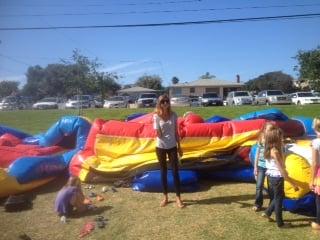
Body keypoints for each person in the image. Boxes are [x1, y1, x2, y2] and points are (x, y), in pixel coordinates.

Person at [261, 124, 299, 228]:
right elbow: (281, 169)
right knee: (278, 200)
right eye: (280, 138)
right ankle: (280, 224)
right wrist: (293, 184)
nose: (282, 139)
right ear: (275, 139)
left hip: (271, 177)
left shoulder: (269, 148)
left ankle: (268, 212)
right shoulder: (275, 152)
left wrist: (286, 143)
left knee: (279, 196)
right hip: (277, 177)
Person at [153, 94, 185, 208]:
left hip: (172, 146)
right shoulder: (156, 116)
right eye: (162, 102)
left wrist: (179, 146)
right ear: (159, 104)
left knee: (175, 171)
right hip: (160, 147)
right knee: (163, 172)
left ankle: (178, 198)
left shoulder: (174, 115)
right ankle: (165, 197)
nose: (165, 103)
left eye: (167, 101)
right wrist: (158, 128)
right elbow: (158, 134)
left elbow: (176, 132)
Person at [253, 122, 274, 212]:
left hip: (270, 167)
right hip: (261, 166)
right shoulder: (261, 138)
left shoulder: (273, 139)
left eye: (270, 130)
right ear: (264, 129)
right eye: (267, 129)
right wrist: (255, 167)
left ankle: (272, 205)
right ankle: (258, 204)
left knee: (271, 187)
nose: (268, 132)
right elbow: (257, 154)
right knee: (259, 186)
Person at [310, 117, 320, 230]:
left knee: (318, 199)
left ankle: (318, 222)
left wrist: (311, 180)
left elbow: (314, 163)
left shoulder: (316, 143)